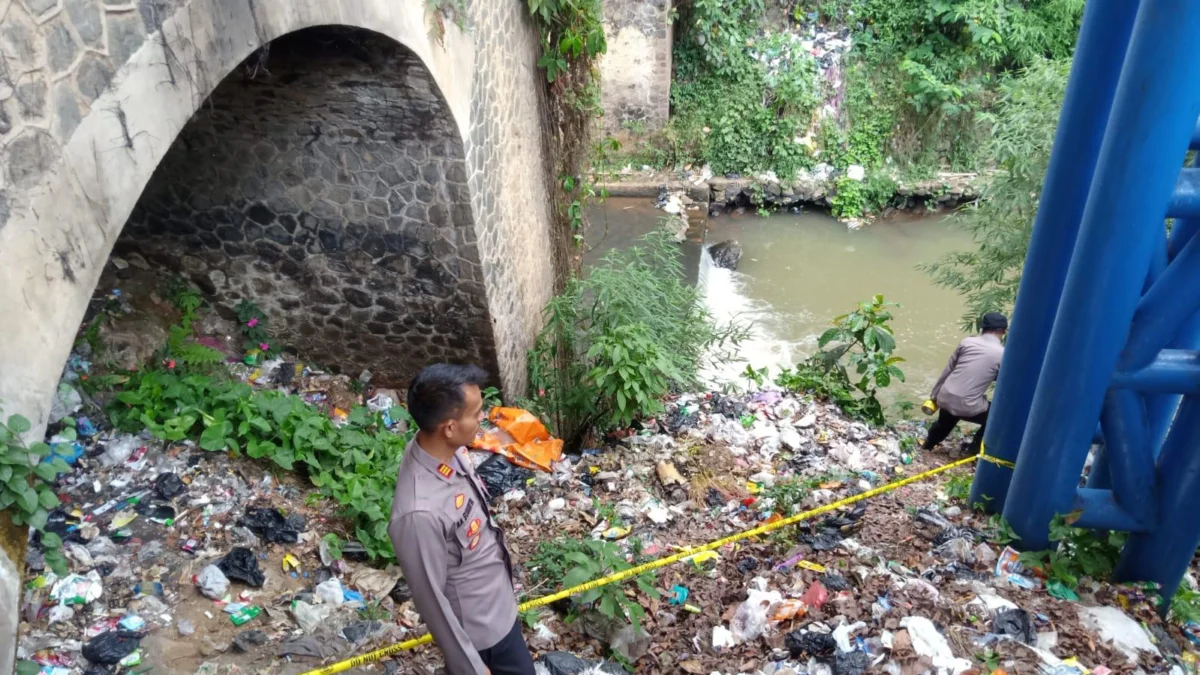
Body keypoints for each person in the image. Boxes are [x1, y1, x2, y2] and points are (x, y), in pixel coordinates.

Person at [388, 363, 534, 675]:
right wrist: (471, 667)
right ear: (450, 426)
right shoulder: (419, 513)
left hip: (498, 604)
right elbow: (432, 602)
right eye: (476, 412)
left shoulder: (443, 448)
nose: (483, 418)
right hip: (484, 636)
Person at [923, 312, 1008, 454]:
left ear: (982, 328)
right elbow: (1001, 380)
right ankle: (974, 451)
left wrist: (935, 396)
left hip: (945, 396)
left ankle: (928, 446)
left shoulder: (967, 342)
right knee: (997, 418)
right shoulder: (1003, 354)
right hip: (968, 405)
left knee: (945, 422)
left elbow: (948, 369)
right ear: (1004, 332)